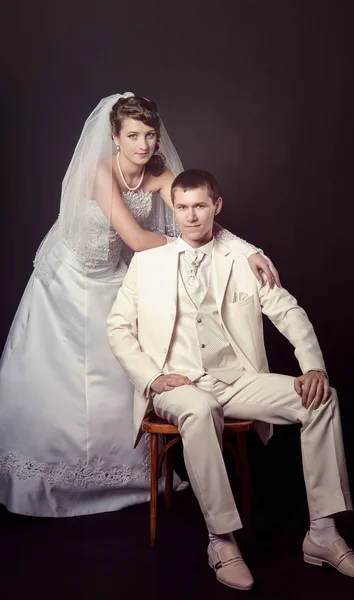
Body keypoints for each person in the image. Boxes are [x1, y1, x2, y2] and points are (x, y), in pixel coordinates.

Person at [0, 94, 280, 517]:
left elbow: (197, 214)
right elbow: (136, 239)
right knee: (60, 379)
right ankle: (55, 475)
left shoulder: (157, 172)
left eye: (149, 135)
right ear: (114, 137)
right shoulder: (99, 172)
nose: (143, 145)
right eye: (132, 136)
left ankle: (119, 471)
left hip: (113, 274)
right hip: (70, 277)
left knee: (121, 371)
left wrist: (247, 251)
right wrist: (184, 245)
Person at [107, 169, 354, 589]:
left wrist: (314, 367)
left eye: (200, 205)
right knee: (200, 409)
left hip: (236, 379)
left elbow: (288, 311)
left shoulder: (244, 259)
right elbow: (118, 328)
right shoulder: (147, 263)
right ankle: (221, 541)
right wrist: (153, 377)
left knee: (322, 398)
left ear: (216, 207)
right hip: (177, 385)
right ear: (173, 208)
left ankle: (323, 535)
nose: (191, 215)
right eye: (182, 207)